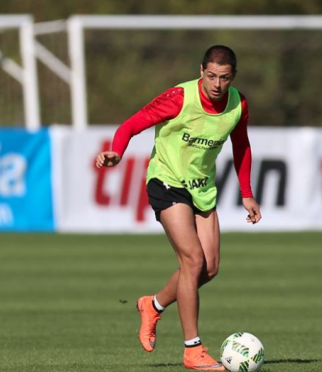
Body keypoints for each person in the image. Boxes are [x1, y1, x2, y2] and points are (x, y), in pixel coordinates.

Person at [96, 45, 261, 371]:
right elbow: (130, 125)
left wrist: (247, 193)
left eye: (224, 78)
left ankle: (152, 305)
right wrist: (116, 153)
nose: (217, 84)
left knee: (209, 268)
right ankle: (192, 349)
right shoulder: (178, 98)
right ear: (201, 71)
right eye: (211, 75)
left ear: (233, 77)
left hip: (202, 189)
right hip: (166, 182)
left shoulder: (238, 104)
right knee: (192, 259)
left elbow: (241, 145)